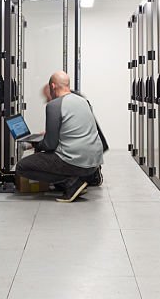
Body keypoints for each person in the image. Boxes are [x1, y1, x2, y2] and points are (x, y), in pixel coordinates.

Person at [17, 71, 105, 202]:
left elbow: (49, 145)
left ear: (53, 86)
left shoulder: (54, 105)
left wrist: (36, 144)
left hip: (76, 162)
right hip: (94, 163)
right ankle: (78, 180)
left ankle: (71, 183)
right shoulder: (83, 101)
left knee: (22, 167)